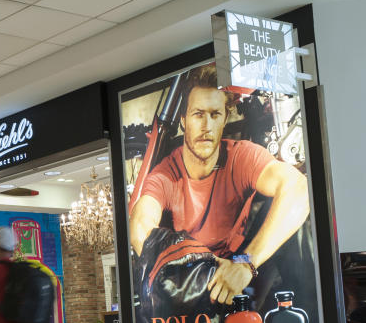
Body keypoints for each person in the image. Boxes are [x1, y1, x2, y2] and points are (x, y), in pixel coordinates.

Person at [128, 63, 310, 305]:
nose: (207, 126)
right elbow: (140, 227)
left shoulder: (241, 157)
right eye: (198, 114)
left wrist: (246, 264)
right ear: (184, 121)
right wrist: (190, 279)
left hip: (242, 277)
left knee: (297, 228)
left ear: (224, 118)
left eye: (215, 115)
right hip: (190, 287)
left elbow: (300, 188)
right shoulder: (167, 175)